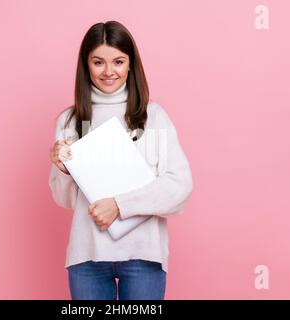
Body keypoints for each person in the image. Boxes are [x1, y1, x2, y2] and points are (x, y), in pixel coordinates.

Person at [48, 21, 193, 300]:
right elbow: (64, 200)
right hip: (87, 257)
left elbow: (180, 187)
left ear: (130, 64)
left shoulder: (154, 116)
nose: (109, 71)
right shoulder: (69, 121)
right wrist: (63, 169)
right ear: (86, 65)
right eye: (98, 62)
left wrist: (119, 206)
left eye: (118, 61)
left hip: (143, 255)